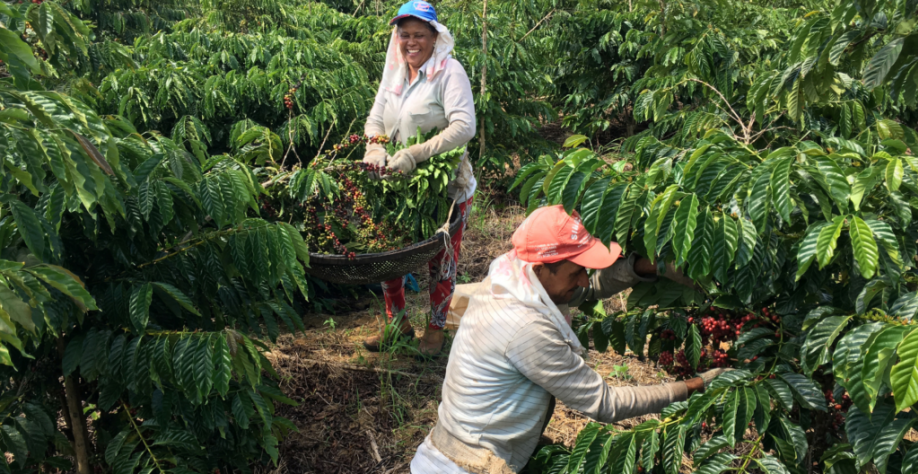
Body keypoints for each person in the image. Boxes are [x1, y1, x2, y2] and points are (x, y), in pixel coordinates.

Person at [410, 205, 729, 474]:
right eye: (576, 272)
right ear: (541, 268)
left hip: (461, 447)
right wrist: (693, 386)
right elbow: (604, 404)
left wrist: (644, 266)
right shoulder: (525, 328)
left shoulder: (514, 275)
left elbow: (588, 289)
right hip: (467, 466)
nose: (583, 280)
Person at [361, 0, 477, 357]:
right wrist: (375, 148)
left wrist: (416, 153)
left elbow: (464, 126)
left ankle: (436, 328)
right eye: (405, 35)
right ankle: (397, 321)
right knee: (388, 252)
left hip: (445, 188)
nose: (411, 42)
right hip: (397, 184)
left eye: (420, 35)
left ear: (435, 37)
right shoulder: (395, 72)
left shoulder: (449, 72)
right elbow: (376, 119)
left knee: (441, 259)